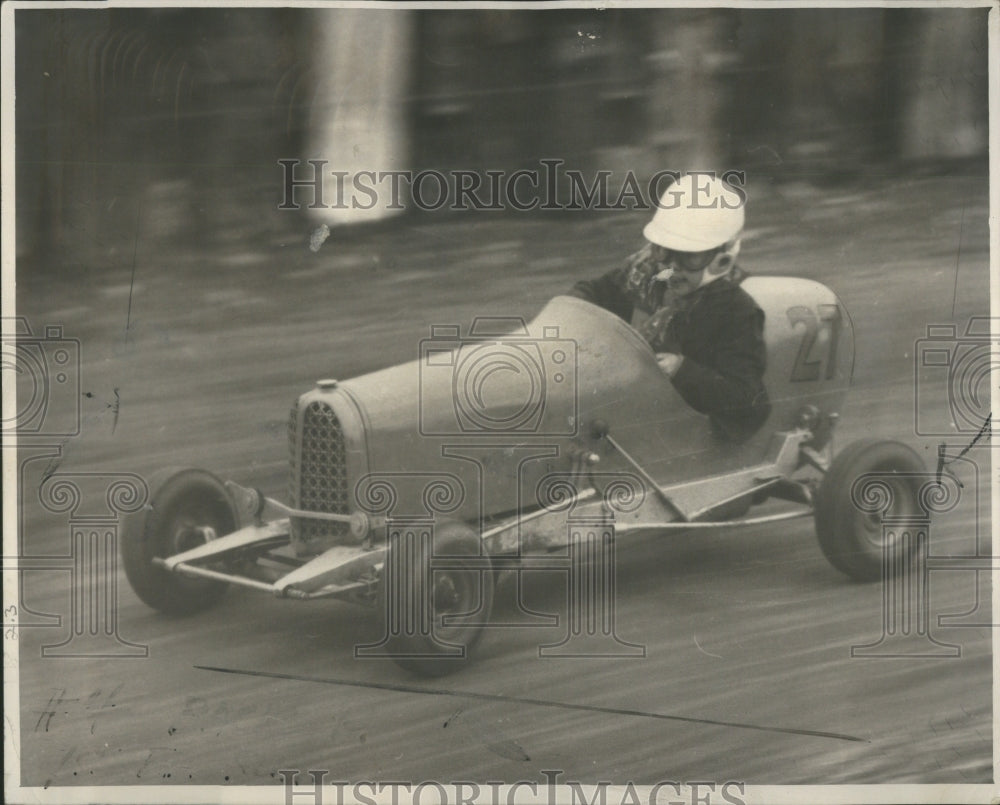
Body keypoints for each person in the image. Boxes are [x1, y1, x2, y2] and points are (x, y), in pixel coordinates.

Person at [569, 173, 771, 441]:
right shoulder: (652, 273)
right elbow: (597, 291)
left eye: (691, 256)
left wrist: (681, 369)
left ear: (720, 259)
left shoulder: (735, 310)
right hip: (636, 397)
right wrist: (572, 308)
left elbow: (748, 398)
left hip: (688, 429)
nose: (672, 267)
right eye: (666, 251)